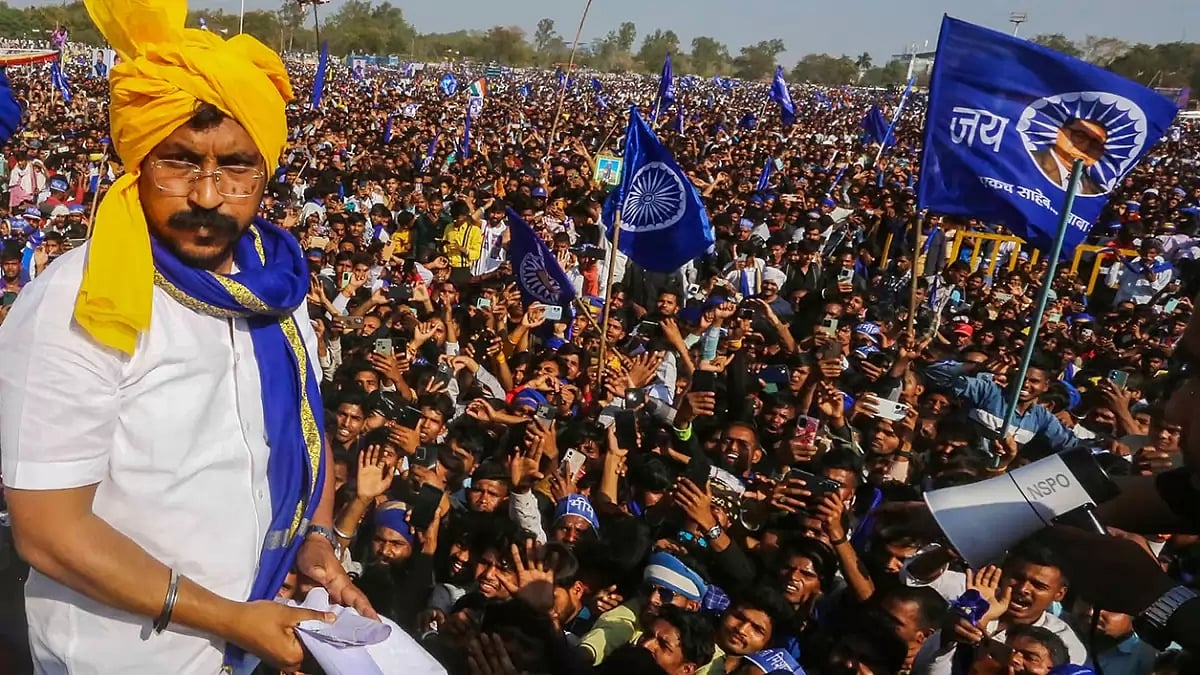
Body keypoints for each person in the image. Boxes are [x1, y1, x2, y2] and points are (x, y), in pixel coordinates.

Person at [0, 5, 370, 672]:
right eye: (178, 162)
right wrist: (229, 617)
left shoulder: (277, 285)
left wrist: (315, 542)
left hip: (253, 640)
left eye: (235, 167)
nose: (207, 193)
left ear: (266, 171)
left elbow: (302, 428)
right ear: (137, 161)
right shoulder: (79, 300)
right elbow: (50, 532)